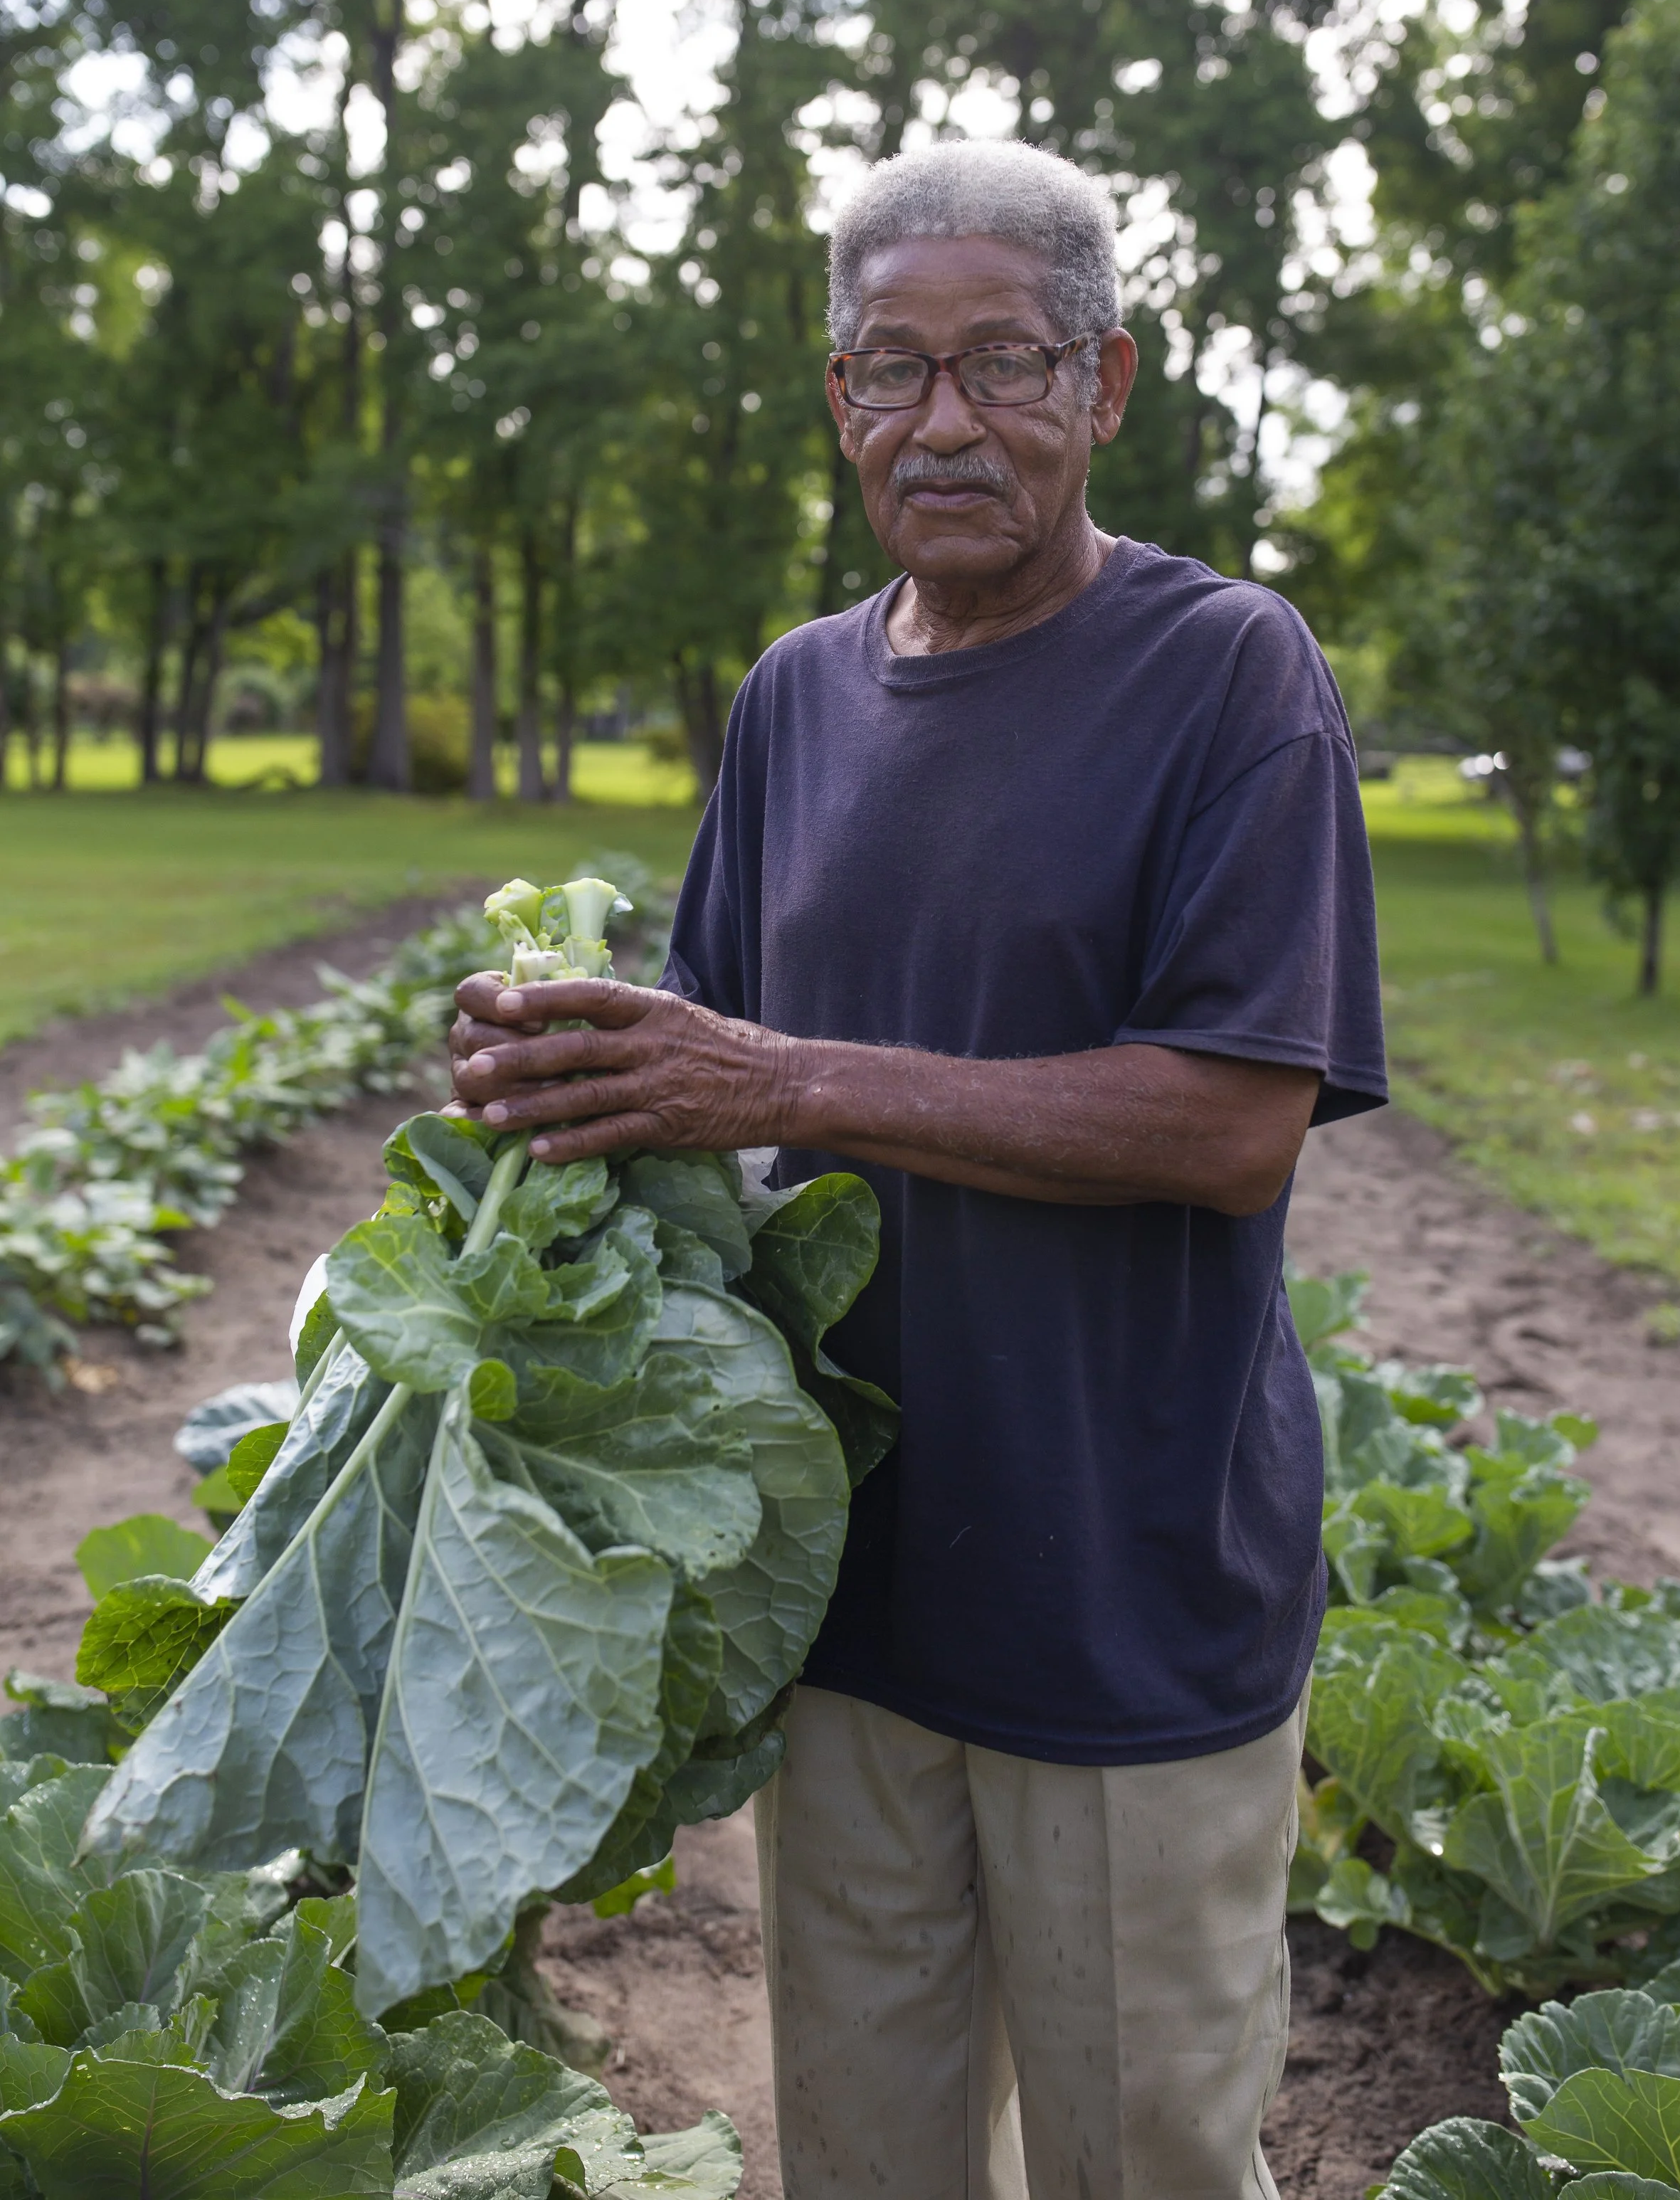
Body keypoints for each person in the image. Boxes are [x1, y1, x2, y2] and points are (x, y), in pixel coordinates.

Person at [449, 138, 1387, 2200]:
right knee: (866, 2160)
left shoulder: (1226, 672)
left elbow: (1231, 1126)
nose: (944, 422)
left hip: (1126, 1601)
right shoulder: (798, 699)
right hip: (853, 1598)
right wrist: (561, 1083)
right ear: (839, 399)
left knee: (1142, 2158)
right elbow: (700, 1101)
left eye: (1006, 366)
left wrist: (780, 1072)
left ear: (1107, 383)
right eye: (892, 370)